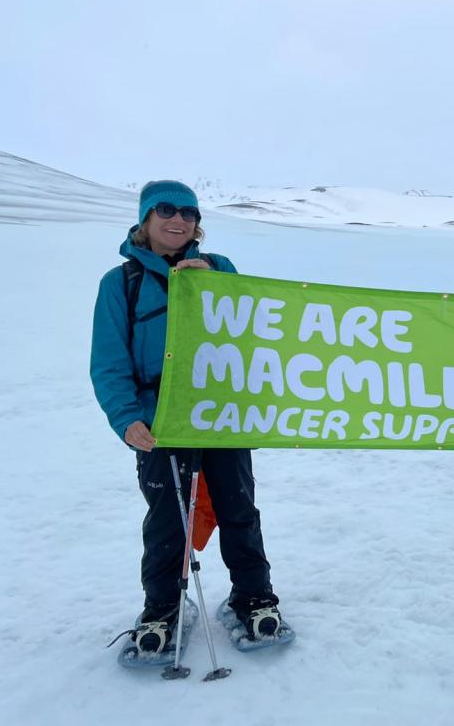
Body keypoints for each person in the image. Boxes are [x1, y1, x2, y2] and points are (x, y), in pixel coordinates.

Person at [91, 180, 284, 653]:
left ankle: (254, 598)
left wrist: (213, 282)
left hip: (220, 415)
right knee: (167, 519)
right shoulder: (121, 284)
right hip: (160, 423)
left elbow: (248, 327)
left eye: (189, 212)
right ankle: (162, 609)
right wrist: (126, 418)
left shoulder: (218, 269)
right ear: (145, 219)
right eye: (166, 210)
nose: (179, 219)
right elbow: (109, 360)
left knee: (238, 508)